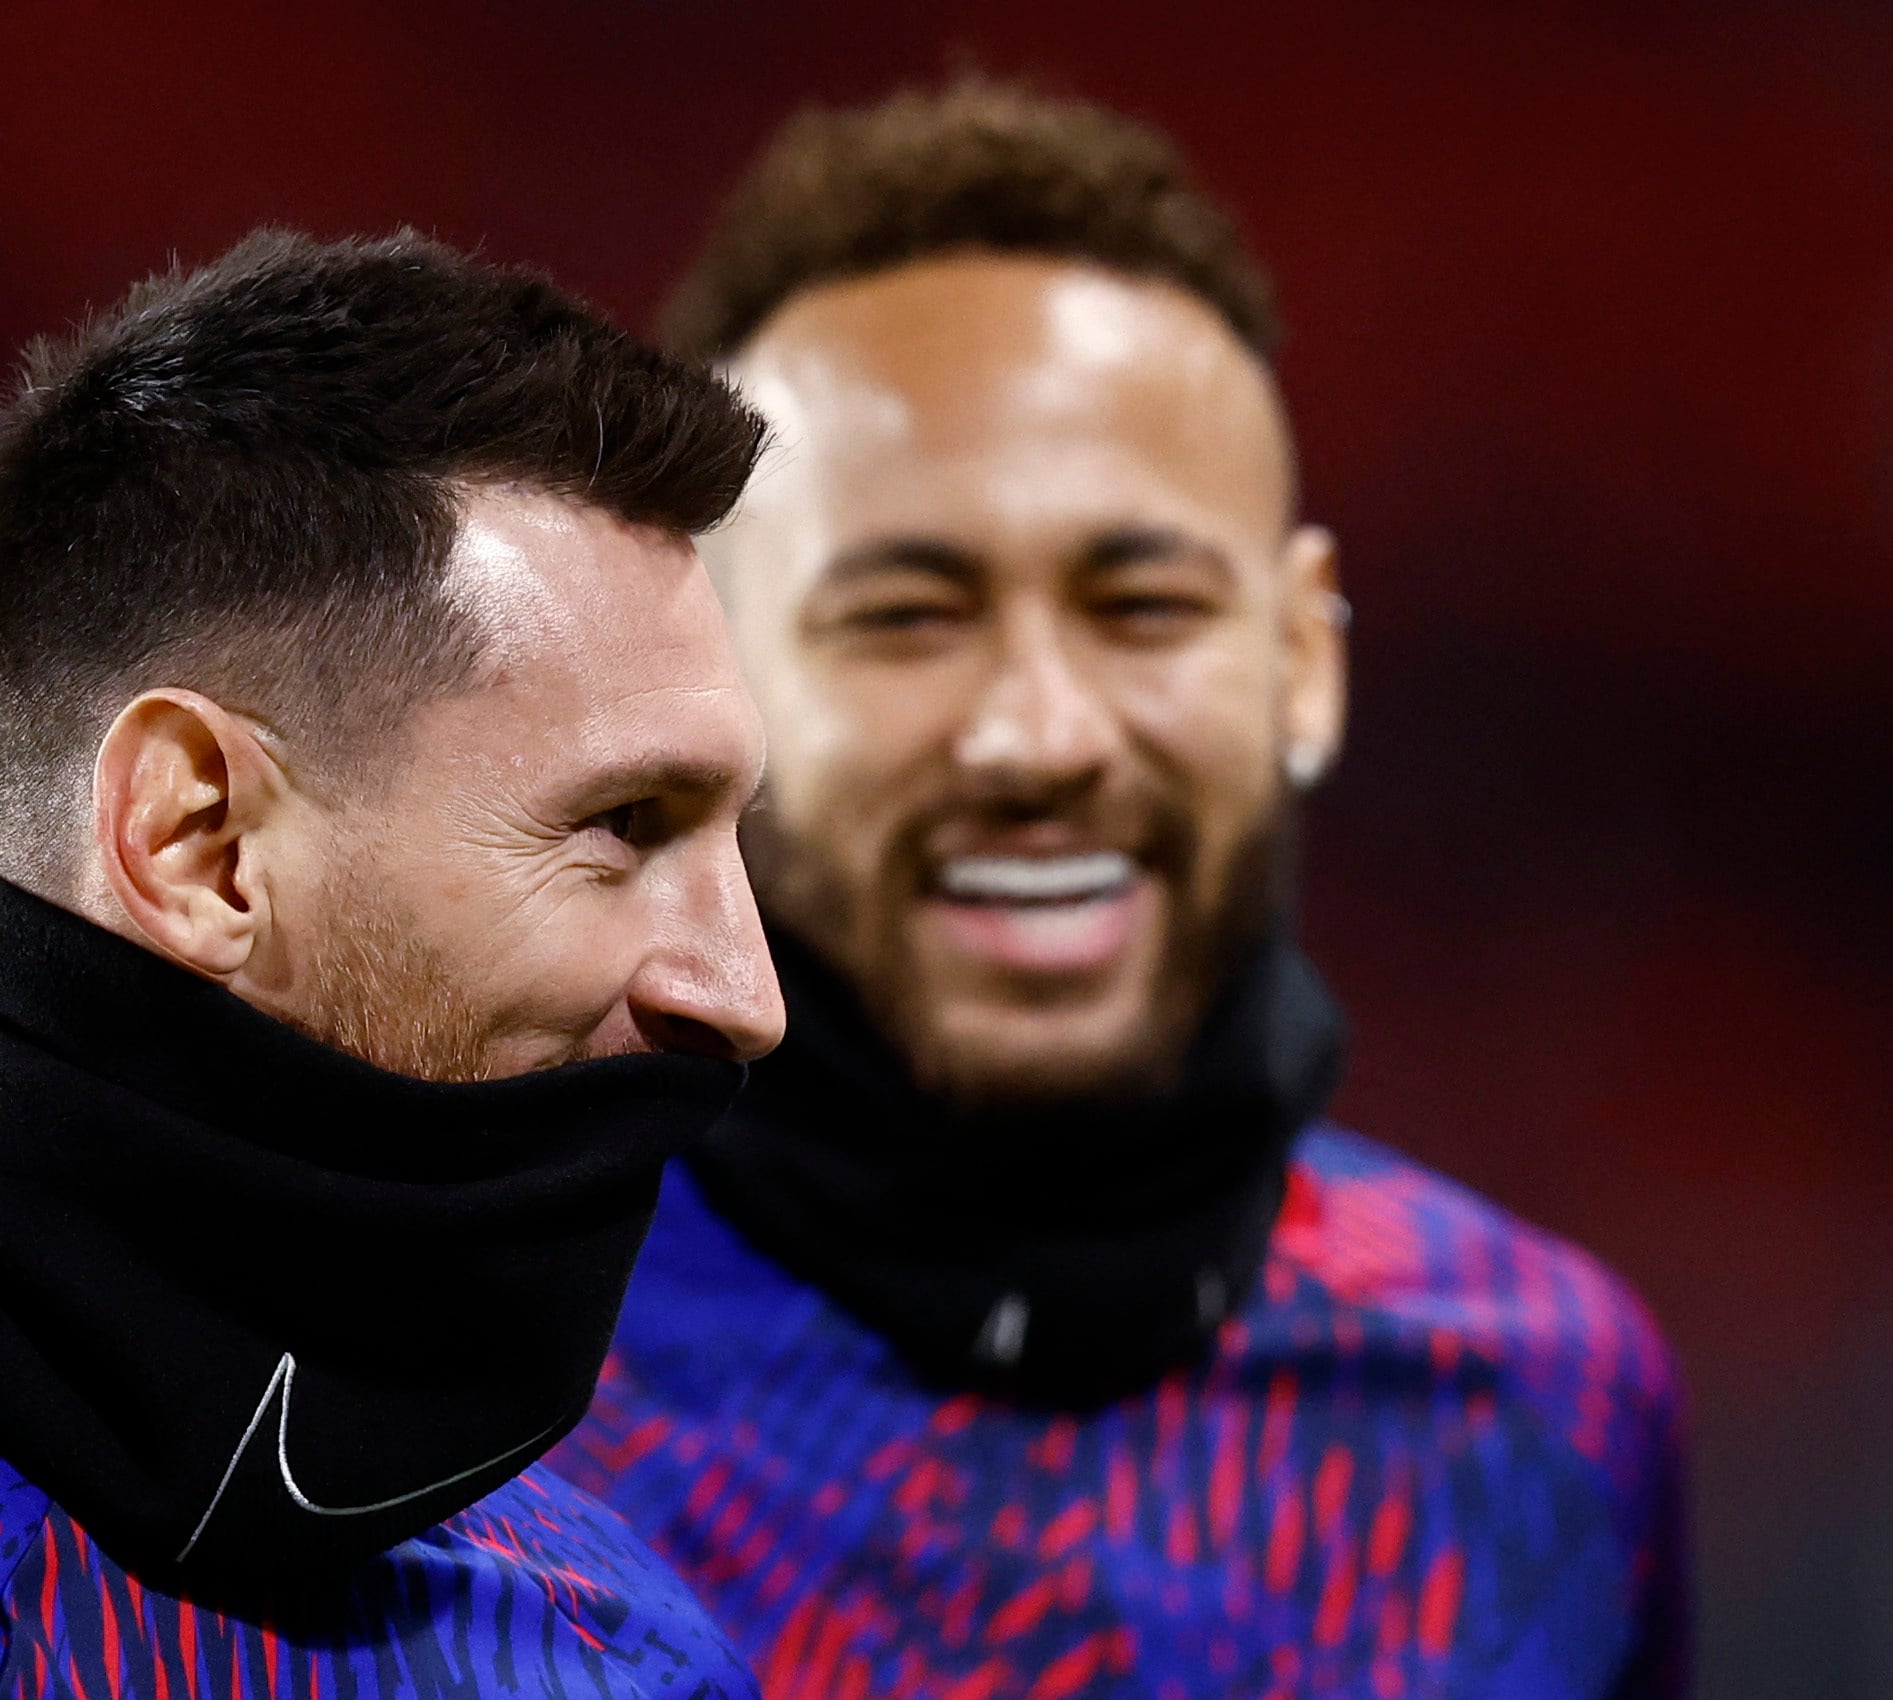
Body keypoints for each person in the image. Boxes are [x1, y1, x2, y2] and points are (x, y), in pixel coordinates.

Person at [0, 228, 788, 1699]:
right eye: (624, 825)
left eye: (732, 842)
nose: (744, 994)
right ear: (201, 844)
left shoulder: (608, 1629)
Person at [549, 80, 1687, 1698]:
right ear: (701, 675)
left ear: (1299, 661)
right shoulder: (460, 1378)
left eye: (1141, 603)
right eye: (903, 616)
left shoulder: (1552, 1404)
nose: (1037, 735)